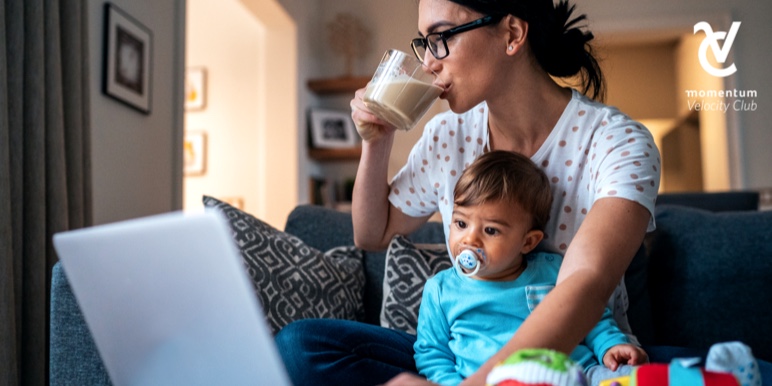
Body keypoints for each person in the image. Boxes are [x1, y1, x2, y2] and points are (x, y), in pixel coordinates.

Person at [276, 0, 673, 385]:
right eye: (424, 42)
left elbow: (584, 283)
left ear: (512, 33)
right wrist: (376, 142)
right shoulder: (447, 135)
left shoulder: (618, 143)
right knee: (301, 346)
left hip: (575, 359)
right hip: (466, 356)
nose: (430, 62)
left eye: (441, 37)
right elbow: (372, 234)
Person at [414, 150, 647, 386]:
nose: (469, 240)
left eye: (491, 230)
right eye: (461, 223)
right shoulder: (440, 290)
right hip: (490, 382)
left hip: (576, 375)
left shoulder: (555, 271)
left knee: (631, 378)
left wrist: (611, 345)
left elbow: (590, 319)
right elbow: (433, 356)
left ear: (528, 242)